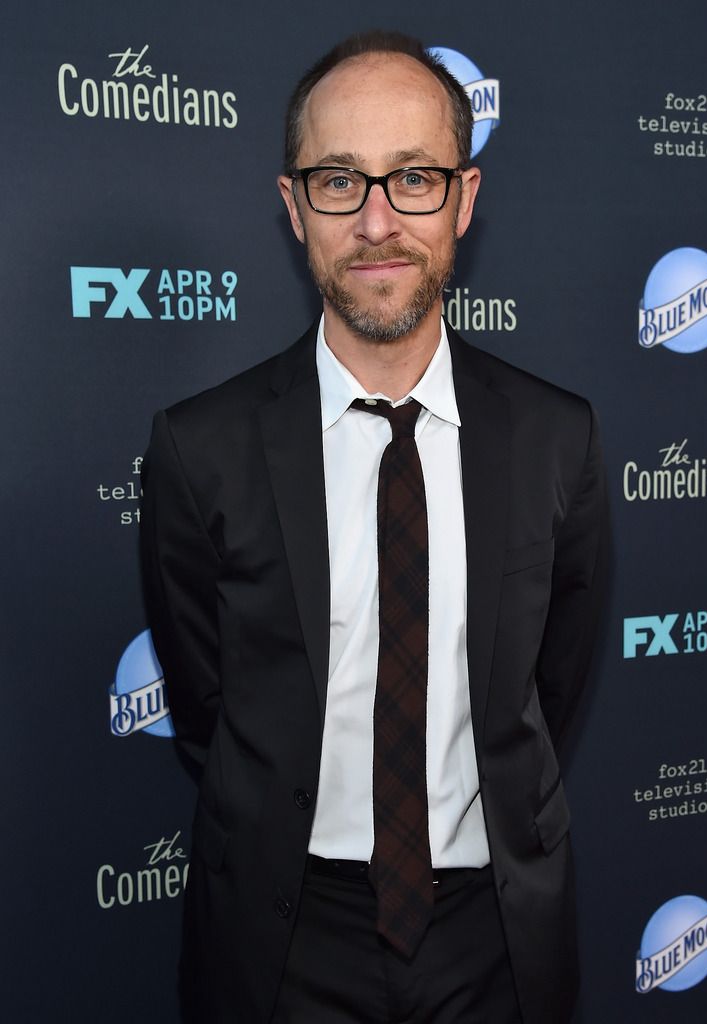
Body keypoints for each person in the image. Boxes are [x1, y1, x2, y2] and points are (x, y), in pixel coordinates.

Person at [140, 30, 608, 1024]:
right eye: (340, 181)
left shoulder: (556, 436)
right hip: (283, 938)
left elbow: (552, 685)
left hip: (496, 938)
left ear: (465, 200)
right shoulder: (199, 446)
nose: (379, 221)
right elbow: (204, 702)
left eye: (414, 179)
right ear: (293, 207)